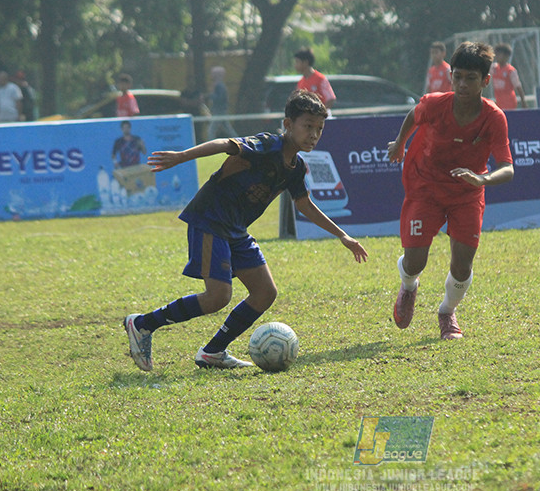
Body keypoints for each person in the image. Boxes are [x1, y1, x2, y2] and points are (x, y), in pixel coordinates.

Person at [122, 89, 368, 372]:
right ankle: (142, 324)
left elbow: (305, 205)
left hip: (235, 229)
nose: (314, 134)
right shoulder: (267, 145)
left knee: (264, 292)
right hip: (211, 218)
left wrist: (342, 235)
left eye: (319, 129)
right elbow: (225, 144)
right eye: (308, 126)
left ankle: (212, 352)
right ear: (288, 125)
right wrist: (182, 157)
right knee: (218, 297)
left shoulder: (295, 166)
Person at [386, 41, 514, 340]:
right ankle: (408, 287)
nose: (462, 83)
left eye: (470, 78)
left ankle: (446, 312)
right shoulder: (434, 104)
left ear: (485, 81)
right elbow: (414, 115)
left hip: (467, 194)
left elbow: (508, 168)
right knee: (415, 261)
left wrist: (482, 180)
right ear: (450, 76)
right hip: (425, 187)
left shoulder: (494, 118)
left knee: (462, 264)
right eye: (457, 76)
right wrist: (400, 143)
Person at [490, 43, 527, 109]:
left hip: (509, 104)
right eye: (496, 54)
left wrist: (523, 102)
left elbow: (518, 87)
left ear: (506, 56)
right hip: (499, 104)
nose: (497, 56)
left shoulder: (510, 71)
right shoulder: (494, 68)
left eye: (499, 54)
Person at [209, 65, 239, 138]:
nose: (211, 75)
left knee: (211, 130)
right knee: (228, 129)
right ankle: (238, 140)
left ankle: (209, 145)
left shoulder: (219, 86)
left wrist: (210, 95)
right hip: (221, 110)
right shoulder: (219, 85)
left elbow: (220, 98)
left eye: (213, 74)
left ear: (217, 75)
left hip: (219, 111)